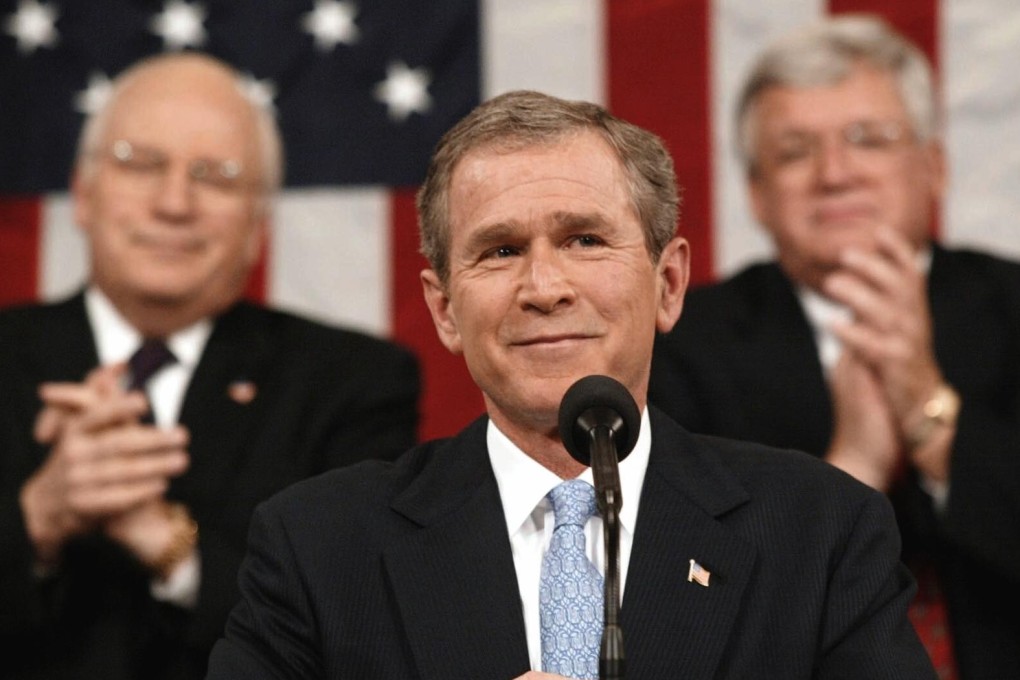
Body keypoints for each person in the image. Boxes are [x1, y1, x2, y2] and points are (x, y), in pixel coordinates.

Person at [205, 89, 934, 679]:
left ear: (670, 283)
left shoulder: (818, 531)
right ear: (444, 310)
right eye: (500, 250)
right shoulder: (321, 547)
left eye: (585, 239)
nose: (544, 286)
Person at [0, 52, 420, 680]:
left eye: (216, 177)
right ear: (83, 196)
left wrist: (169, 544)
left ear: (257, 226)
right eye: (140, 164)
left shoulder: (353, 382)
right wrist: (39, 517)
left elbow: (358, 628)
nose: (174, 204)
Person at [649, 14, 1020, 679]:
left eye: (866, 139)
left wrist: (932, 422)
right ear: (757, 196)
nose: (835, 173)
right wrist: (851, 468)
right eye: (795, 151)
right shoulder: (682, 342)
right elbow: (685, 598)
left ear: (934, 167)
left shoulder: (1013, 307)